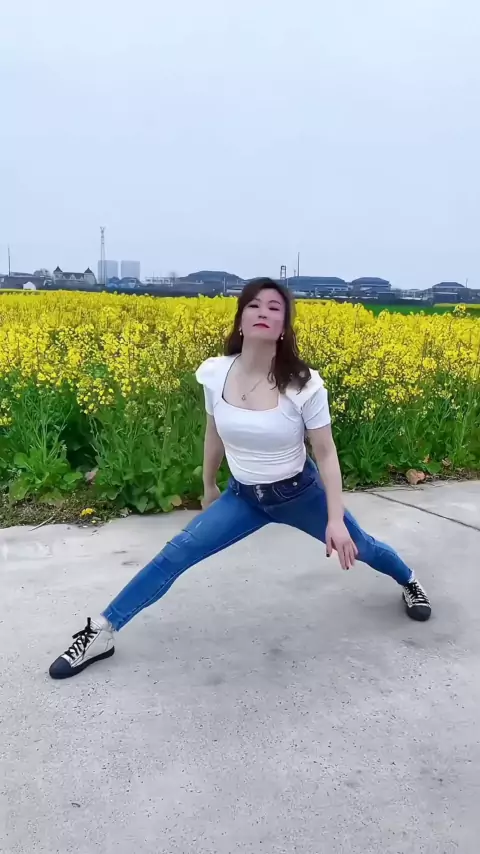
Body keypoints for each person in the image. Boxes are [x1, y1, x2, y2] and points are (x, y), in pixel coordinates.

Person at [49, 278, 431, 679]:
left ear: (283, 327)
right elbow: (213, 434)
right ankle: (103, 630)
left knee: (361, 546)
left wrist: (335, 519)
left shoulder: (303, 384)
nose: (263, 312)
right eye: (254, 305)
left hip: (299, 494)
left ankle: (409, 580)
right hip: (243, 496)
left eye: (274, 307)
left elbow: (326, 452)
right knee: (175, 554)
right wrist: (209, 485)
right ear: (241, 320)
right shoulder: (216, 374)